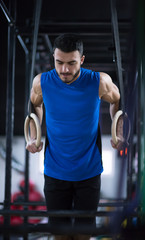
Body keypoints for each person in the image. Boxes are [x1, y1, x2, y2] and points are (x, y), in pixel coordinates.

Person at [26, 33, 123, 240]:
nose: (64, 70)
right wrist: (34, 135)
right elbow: (35, 105)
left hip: (88, 172)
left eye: (71, 63)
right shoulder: (41, 82)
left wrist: (119, 129)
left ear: (82, 60)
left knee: (82, 235)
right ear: (53, 57)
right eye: (59, 62)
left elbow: (117, 101)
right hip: (54, 171)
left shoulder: (99, 82)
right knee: (59, 236)